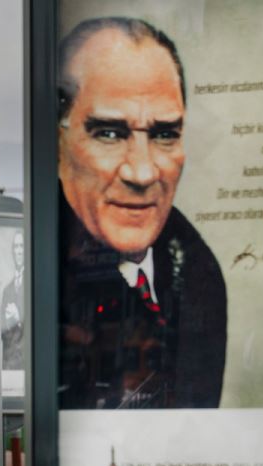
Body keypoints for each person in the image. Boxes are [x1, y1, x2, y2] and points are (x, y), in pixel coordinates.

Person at [58, 16, 226, 410]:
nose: (143, 171)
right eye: (110, 133)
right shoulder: (40, 271)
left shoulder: (198, 273)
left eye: (164, 134)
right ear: (57, 140)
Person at [0, 231, 25, 371]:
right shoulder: (7, 289)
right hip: (10, 363)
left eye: (21, 246)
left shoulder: (33, 283)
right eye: (16, 247)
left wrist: (19, 318)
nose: (19, 251)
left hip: (30, 361)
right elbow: (1, 328)